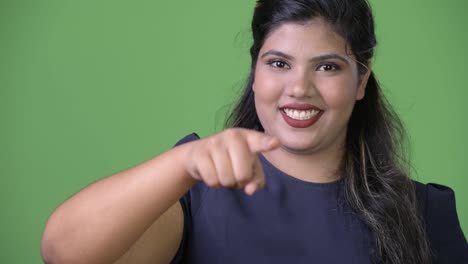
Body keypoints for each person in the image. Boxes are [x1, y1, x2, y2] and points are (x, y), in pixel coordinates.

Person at [40, 0, 467, 263]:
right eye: (279, 63)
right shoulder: (193, 189)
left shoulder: (425, 210)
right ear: (255, 71)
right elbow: (63, 254)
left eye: (327, 66)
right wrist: (183, 162)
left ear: (361, 79)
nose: (299, 88)